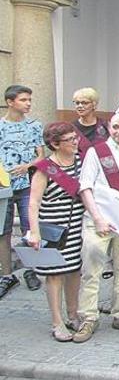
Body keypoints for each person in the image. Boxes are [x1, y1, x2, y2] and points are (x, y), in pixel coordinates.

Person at [73, 112, 119, 342]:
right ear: (109, 128)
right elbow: (85, 186)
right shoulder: (96, 152)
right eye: (116, 127)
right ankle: (88, 317)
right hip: (99, 218)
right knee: (92, 268)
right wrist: (97, 217)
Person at [26, 122, 85, 341]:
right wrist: (34, 232)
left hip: (77, 225)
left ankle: (73, 313)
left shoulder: (81, 161)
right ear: (55, 144)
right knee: (55, 275)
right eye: (70, 140)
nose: (75, 142)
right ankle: (57, 321)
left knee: (75, 270)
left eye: (75, 138)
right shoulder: (45, 168)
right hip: (53, 228)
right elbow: (34, 202)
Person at [1, 85, 45, 297]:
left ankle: (30, 269)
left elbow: (41, 156)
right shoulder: (0, 126)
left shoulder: (34, 126)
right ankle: (7, 275)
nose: (28, 103)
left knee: (30, 228)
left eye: (29, 99)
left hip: (27, 183)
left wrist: (27, 166)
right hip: (4, 185)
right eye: (23, 100)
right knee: (4, 230)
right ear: (10, 102)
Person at [71, 88, 109, 159]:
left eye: (84, 103)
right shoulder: (70, 128)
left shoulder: (105, 126)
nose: (80, 106)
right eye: (77, 103)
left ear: (94, 104)